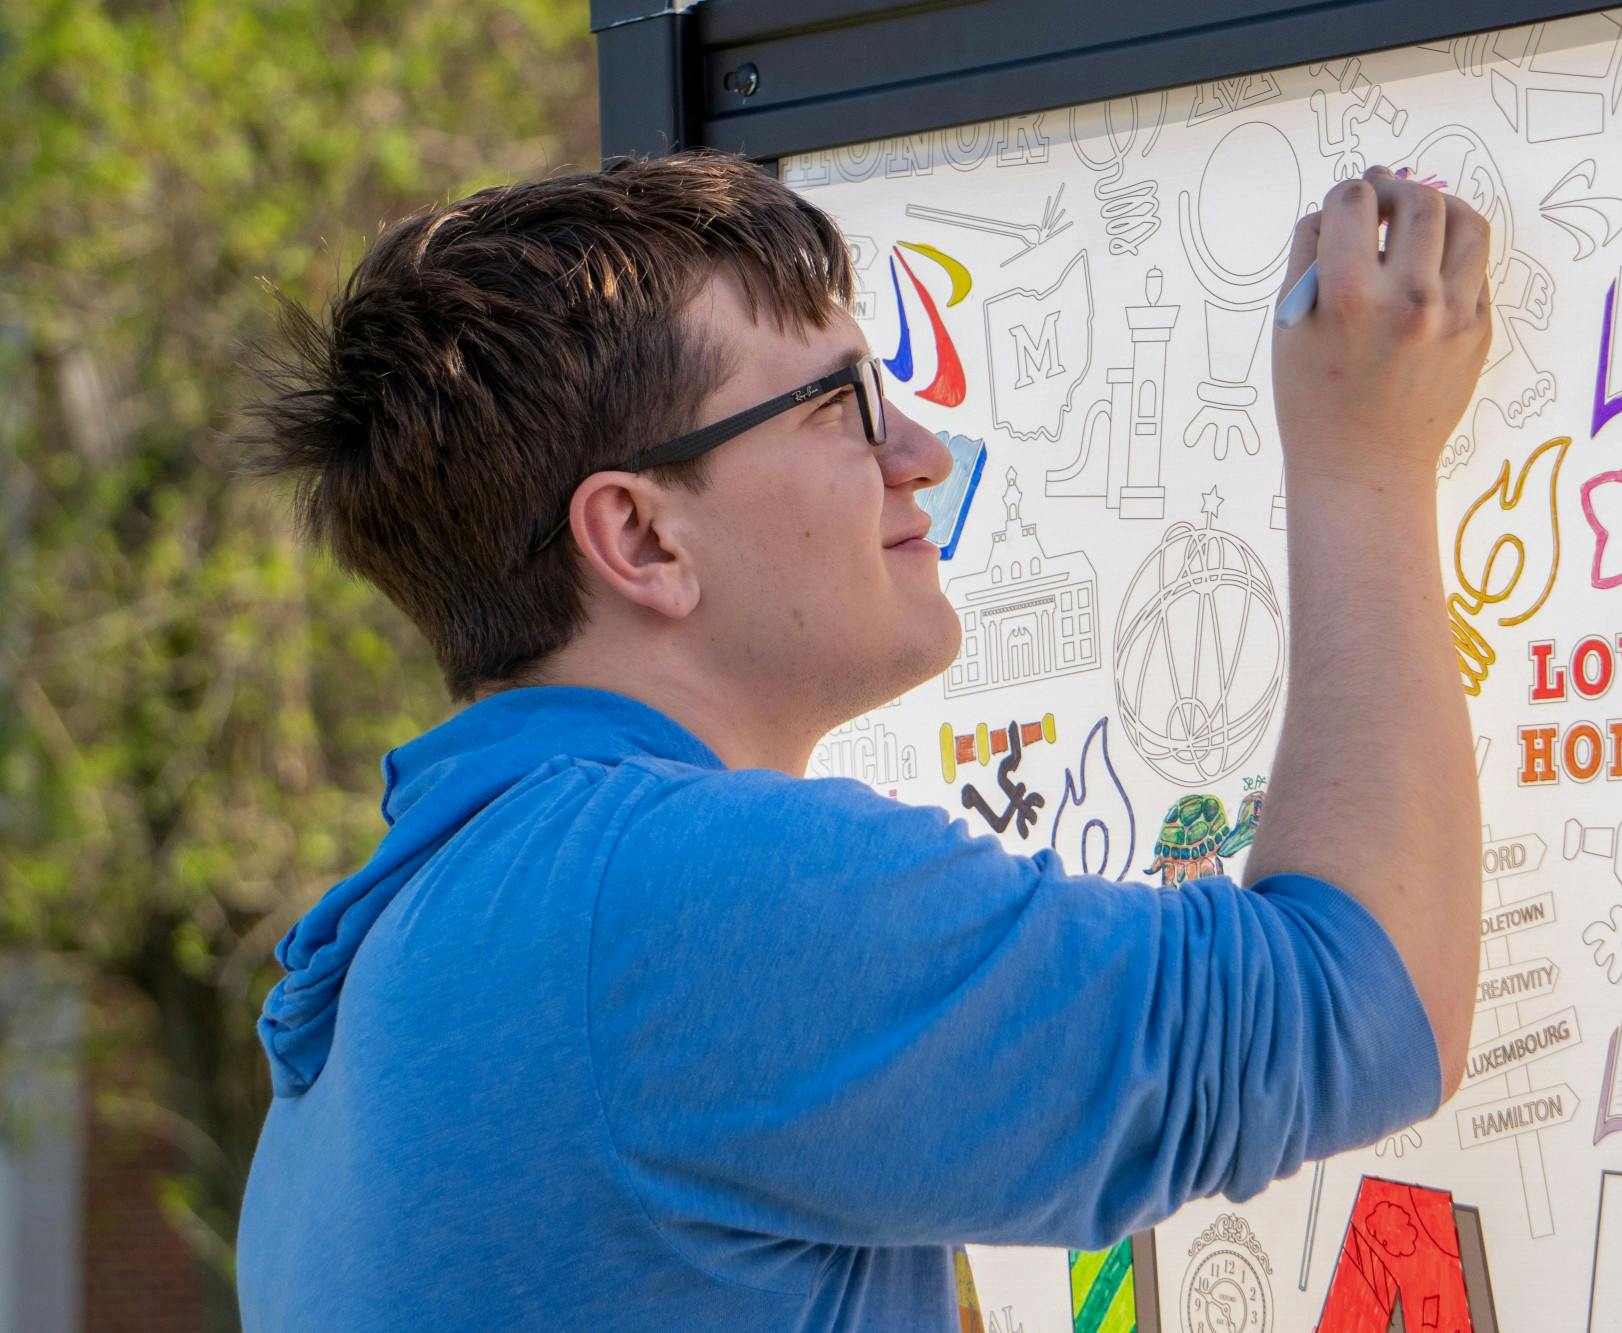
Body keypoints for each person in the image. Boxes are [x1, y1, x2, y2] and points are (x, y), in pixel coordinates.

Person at [232, 148, 1489, 1331]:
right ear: (642, 540)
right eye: (841, 404)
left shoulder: (398, 954)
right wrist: (1361, 462)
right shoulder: (671, 896)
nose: (920, 456)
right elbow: (1359, 1006)